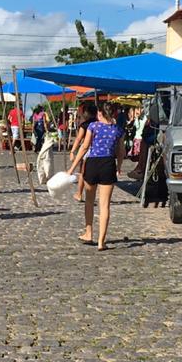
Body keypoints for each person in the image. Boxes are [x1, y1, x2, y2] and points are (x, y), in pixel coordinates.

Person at [66, 103, 125, 251]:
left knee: (89, 201)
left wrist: (72, 168)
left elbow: (85, 147)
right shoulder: (118, 130)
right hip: (108, 164)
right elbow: (121, 151)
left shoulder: (93, 126)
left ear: (100, 113)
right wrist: (118, 167)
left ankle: (88, 233)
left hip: (92, 163)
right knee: (104, 205)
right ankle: (101, 241)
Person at [71, 102, 98, 203]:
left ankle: (79, 193)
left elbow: (78, 139)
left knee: (83, 172)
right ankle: (91, 194)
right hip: (97, 150)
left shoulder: (85, 125)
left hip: (87, 150)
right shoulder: (99, 123)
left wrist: (72, 151)